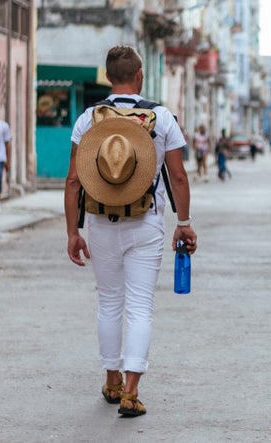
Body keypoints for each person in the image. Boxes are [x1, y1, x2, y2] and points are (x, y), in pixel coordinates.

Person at [64, 45, 196, 418]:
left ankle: (111, 380)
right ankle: (132, 392)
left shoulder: (89, 118)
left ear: (108, 77)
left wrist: (73, 231)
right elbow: (179, 176)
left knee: (108, 303)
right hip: (147, 223)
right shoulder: (162, 117)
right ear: (140, 76)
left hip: (101, 222)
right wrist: (183, 223)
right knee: (140, 307)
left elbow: (74, 181)